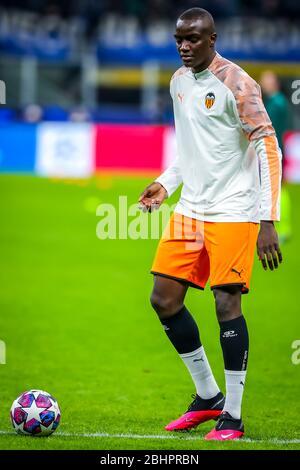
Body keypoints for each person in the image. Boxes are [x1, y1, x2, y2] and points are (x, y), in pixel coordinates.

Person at [139, 8, 282, 441]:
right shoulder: (178, 82)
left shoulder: (238, 84)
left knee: (226, 305)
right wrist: (165, 184)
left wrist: (267, 220)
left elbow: (268, 147)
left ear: (213, 38)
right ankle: (208, 397)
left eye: (193, 39)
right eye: (179, 39)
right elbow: (190, 149)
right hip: (191, 210)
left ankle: (233, 416)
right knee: (163, 299)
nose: (184, 46)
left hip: (235, 210)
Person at [260, 70, 292, 243]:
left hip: (274, 151)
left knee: (277, 190)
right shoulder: (277, 101)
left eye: (266, 79)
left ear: (274, 82)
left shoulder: (276, 102)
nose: (263, 82)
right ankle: (283, 228)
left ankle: (282, 228)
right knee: (278, 189)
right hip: (278, 149)